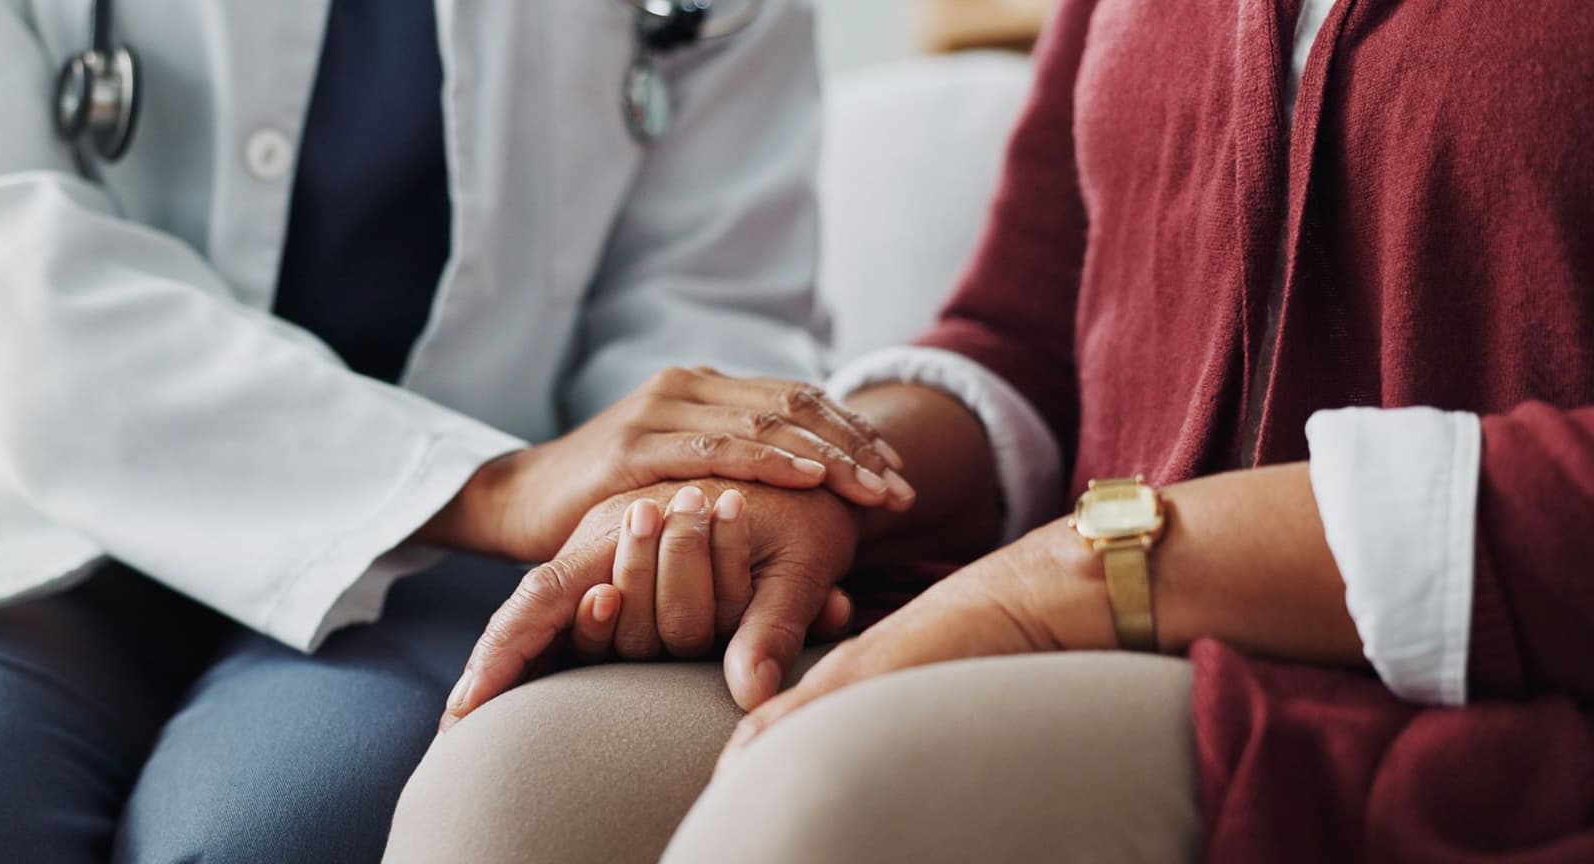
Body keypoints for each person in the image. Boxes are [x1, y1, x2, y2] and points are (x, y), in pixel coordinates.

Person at [0, 1, 922, 861]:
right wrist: (497, 483)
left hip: (452, 575)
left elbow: (706, 298)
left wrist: (673, 510)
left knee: (290, 833)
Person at [390, 0, 1594, 861]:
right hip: (1096, 638)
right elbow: (1030, 330)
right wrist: (813, 474)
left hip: (1490, 698)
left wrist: (1105, 567)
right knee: (522, 788)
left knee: (832, 808)